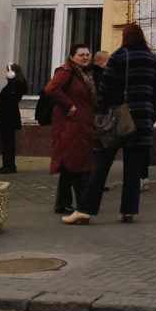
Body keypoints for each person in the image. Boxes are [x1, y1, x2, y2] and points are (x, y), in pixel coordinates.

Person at [65, 24, 156, 224]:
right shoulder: (153, 59)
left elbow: (105, 88)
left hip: (118, 119)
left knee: (101, 165)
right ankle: (128, 211)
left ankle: (85, 210)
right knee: (134, 168)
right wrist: (150, 114)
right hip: (142, 120)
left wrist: (101, 113)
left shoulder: (119, 57)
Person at [46, 44, 97, 214]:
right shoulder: (66, 71)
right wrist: (69, 105)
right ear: (72, 56)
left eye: (87, 54)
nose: (85, 57)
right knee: (76, 163)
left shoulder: (83, 73)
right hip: (71, 125)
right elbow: (51, 89)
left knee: (70, 164)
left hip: (82, 124)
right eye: (81, 54)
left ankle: (62, 203)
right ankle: (83, 204)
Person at [0, 63, 27, 175]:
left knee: (8, 143)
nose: (6, 73)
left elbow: (11, 99)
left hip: (8, 117)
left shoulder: (15, 85)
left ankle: (9, 166)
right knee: (7, 142)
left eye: (8, 71)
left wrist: (11, 80)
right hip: (7, 117)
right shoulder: (13, 85)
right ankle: (8, 165)